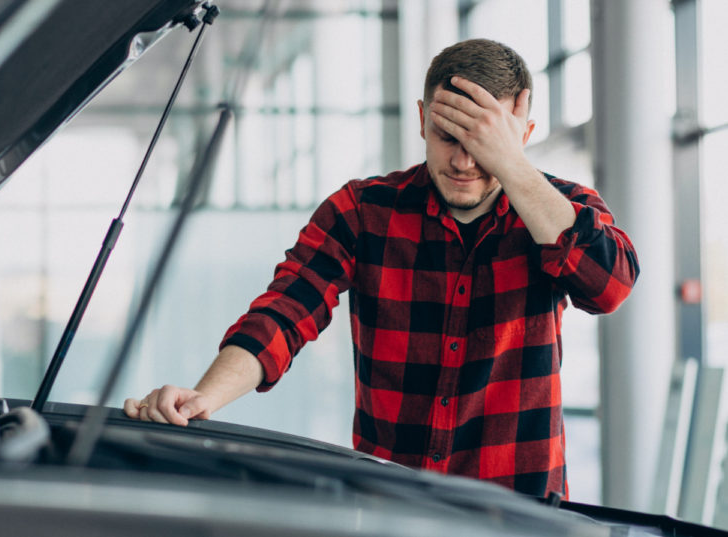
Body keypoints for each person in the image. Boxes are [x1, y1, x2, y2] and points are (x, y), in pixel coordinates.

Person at [124, 38, 639, 499]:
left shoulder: (561, 210)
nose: (463, 162)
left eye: (483, 143)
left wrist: (514, 166)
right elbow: (285, 311)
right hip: (390, 505)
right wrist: (203, 397)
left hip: (520, 513)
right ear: (420, 118)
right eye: (447, 136)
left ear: (520, 134)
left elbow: (610, 287)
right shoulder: (362, 210)